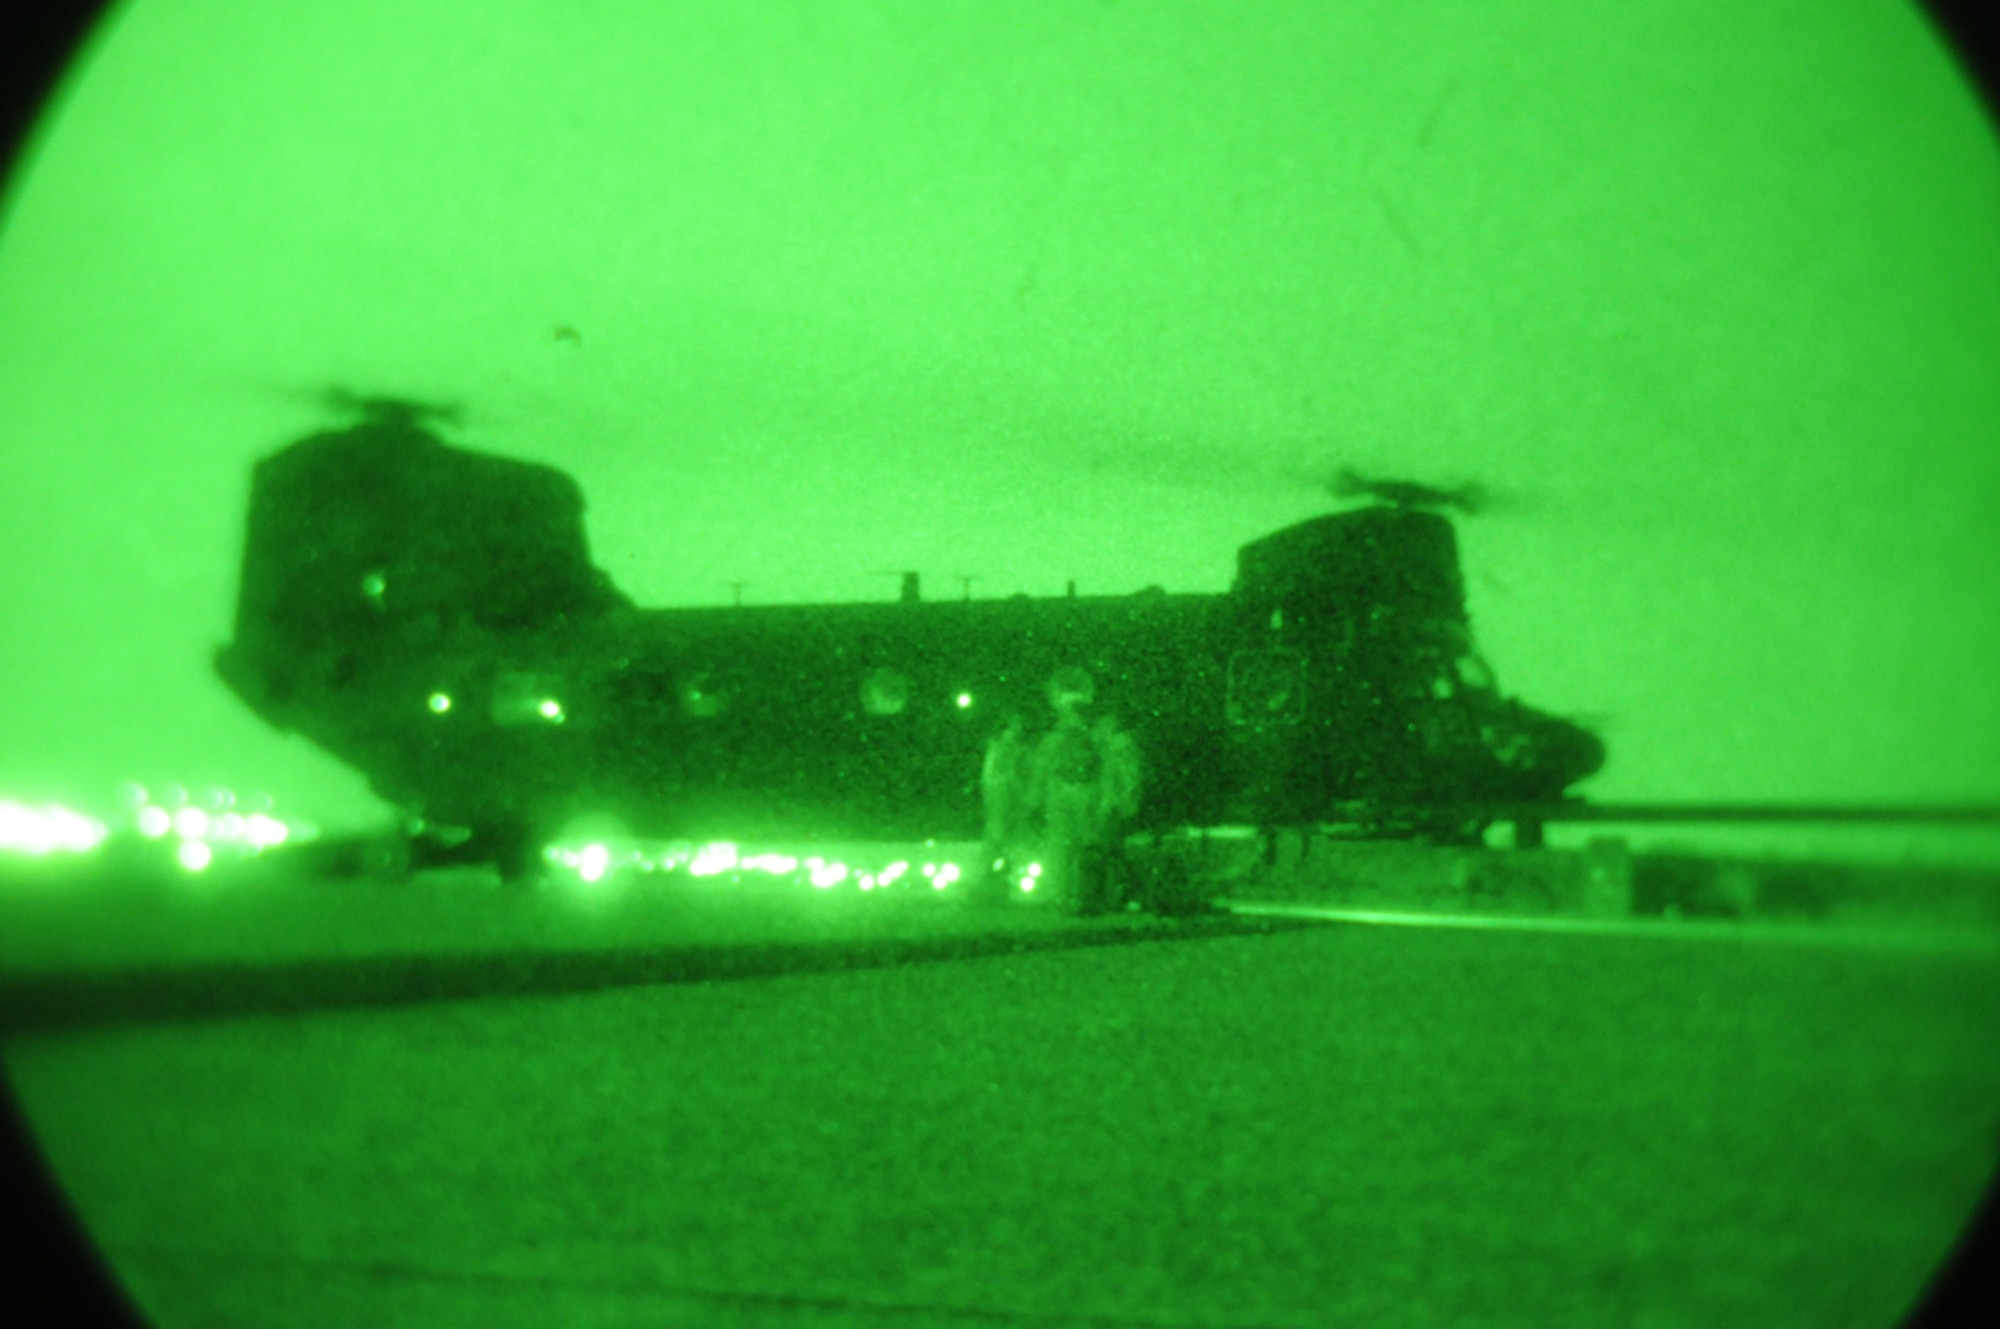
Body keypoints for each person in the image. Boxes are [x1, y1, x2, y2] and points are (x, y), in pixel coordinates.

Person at [1031, 687, 1108, 915]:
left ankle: (1082, 896)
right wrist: (1036, 797)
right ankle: (1059, 896)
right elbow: (1042, 767)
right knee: (1059, 847)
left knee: (1085, 846)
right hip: (1061, 790)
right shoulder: (1054, 739)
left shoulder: (1095, 736)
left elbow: (1107, 766)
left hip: (1086, 790)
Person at [977, 713, 1030, 900]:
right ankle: (988, 880)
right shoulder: (1003, 747)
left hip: (1004, 798)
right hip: (1001, 797)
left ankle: (995, 881)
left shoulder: (1003, 747)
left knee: (1001, 838)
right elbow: (1003, 775)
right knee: (998, 837)